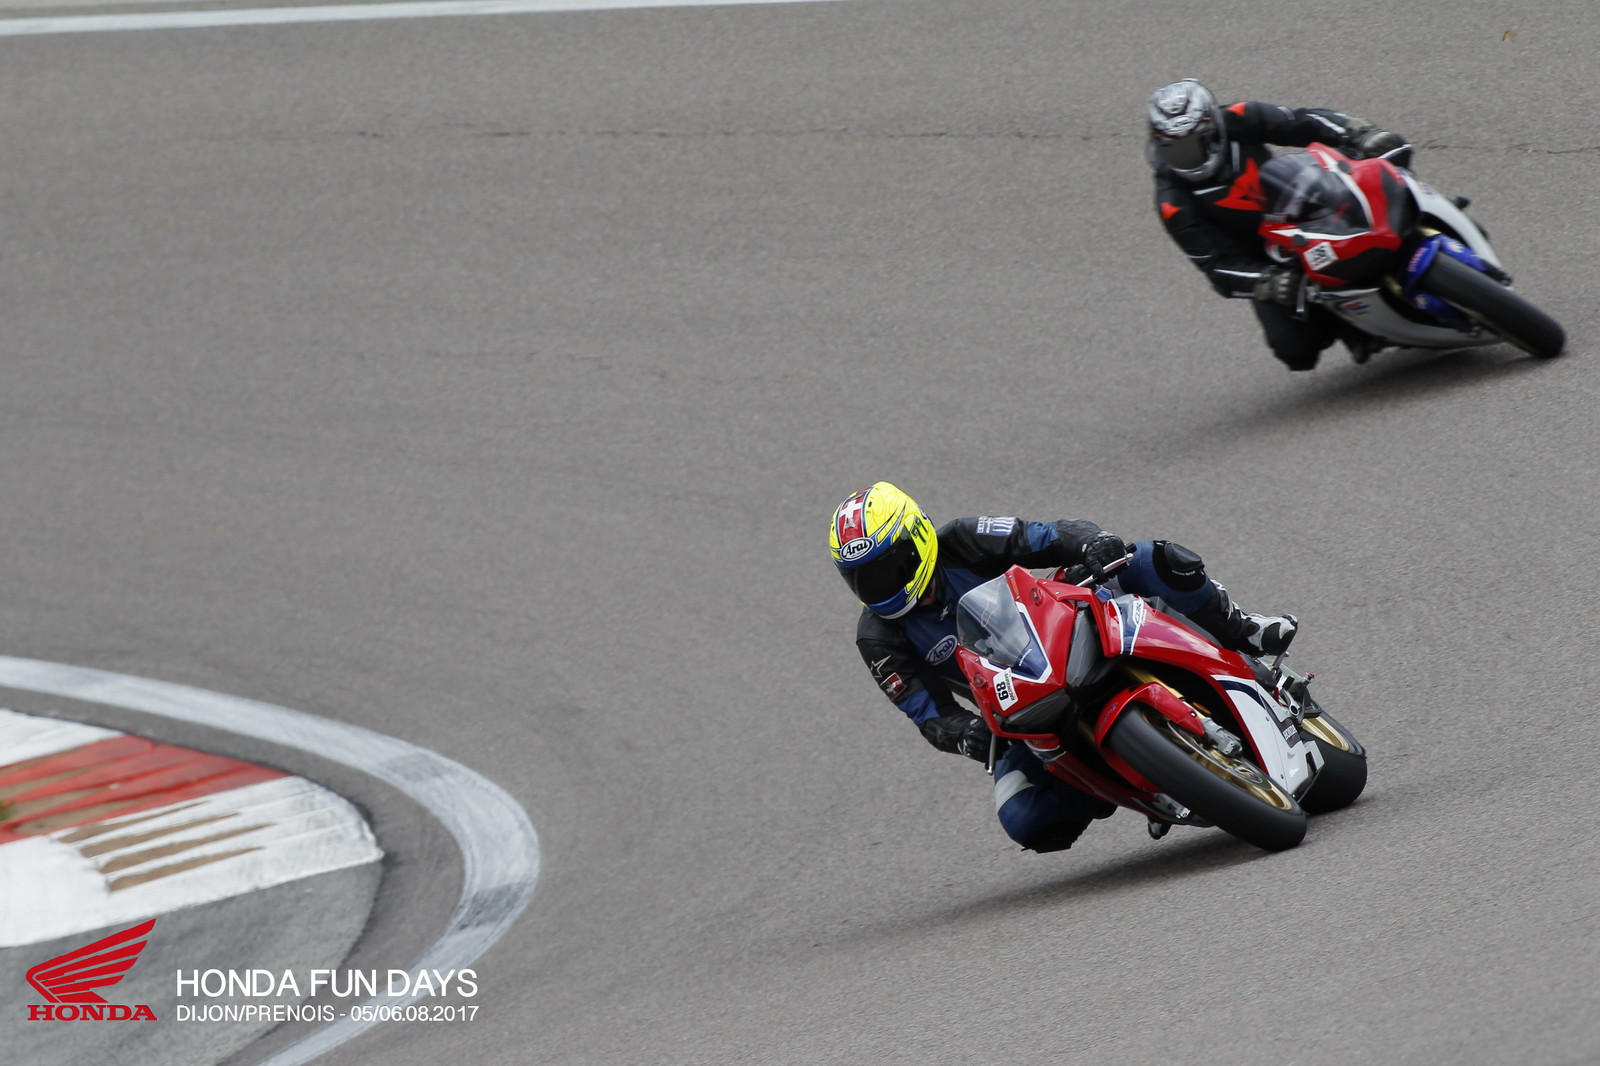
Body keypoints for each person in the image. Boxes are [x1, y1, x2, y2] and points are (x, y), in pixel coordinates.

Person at [828, 481, 1298, 854]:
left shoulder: (963, 539)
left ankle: (1242, 631)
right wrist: (966, 735)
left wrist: (1092, 543)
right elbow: (928, 715)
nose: (878, 585)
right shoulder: (878, 638)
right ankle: (1144, 777)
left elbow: (1046, 536)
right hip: (1015, 703)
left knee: (1151, 559)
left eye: (888, 567)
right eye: (863, 578)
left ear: (918, 537)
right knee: (1026, 818)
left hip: (1059, 630)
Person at [1146, 78, 1412, 371]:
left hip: (1304, 203)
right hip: (1267, 258)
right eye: (1174, 149)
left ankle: (1423, 215)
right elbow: (1217, 266)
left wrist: (1357, 132)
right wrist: (1266, 282)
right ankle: (1354, 327)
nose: (1186, 157)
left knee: (1390, 152)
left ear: (1213, 131)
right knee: (1295, 350)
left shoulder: (1239, 116)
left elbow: (1302, 122)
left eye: (1194, 145)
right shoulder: (1173, 203)